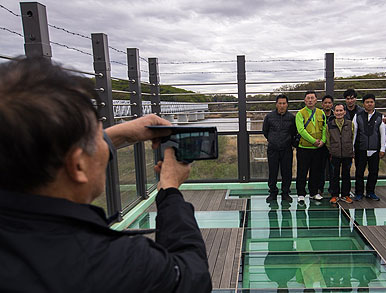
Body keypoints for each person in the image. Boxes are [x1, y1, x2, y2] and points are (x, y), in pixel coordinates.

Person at [0, 57, 212, 292]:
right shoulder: (115, 263)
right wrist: (170, 190)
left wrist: (121, 135)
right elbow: (193, 275)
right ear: (78, 165)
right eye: (98, 135)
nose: (103, 142)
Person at [262, 94, 296, 203]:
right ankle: (273, 192)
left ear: (287, 104)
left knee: (287, 172)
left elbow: (294, 132)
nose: (282, 106)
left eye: (284, 103)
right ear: (276, 104)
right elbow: (265, 131)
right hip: (273, 149)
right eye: (280, 103)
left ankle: (285, 193)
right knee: (273, 171)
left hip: (287, 149)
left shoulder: (291, 118)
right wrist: (273, 140)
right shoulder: (269, 117)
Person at [295, 90, 327, 204]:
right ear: (304, 100)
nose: (310, 100)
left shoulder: (321, 113)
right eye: (308, 98)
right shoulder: (300, 113)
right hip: (304, 148)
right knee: (302, 172)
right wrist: (313, 141)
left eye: (312, 98)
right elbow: (301, 130)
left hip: (318, 149)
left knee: (316, 172)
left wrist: (323, 141)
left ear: (316, 100)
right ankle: (301, 194)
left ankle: (314, 192)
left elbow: (324, 128)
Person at [352, 94, 386, 201]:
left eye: (371, 102)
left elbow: (383, 134)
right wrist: (352, 148)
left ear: (374, 103)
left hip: (374, 149)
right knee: (359, 172)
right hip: (360, 149)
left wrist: (382, 149)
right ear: (364, 104)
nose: (369, 104)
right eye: (367, 102)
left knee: (374, 172)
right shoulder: (358, 116)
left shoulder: (380, 116)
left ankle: (371, 192)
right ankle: (359, 193)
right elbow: (354, 133)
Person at [327, 104, 354, 204]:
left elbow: (353, 137)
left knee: (346, 175)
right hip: (335, 154)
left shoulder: (350, 124)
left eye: (340, 110)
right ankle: (335, 195)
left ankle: (345, 195)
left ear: (344, 112)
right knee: (334, 175)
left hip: (347, 153)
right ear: (334, 112)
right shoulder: (330, 124)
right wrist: (332, 149)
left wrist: (350, 149)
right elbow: (328, 139)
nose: (338, 113)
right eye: (337, 111)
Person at [319, 94, 335, 195]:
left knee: (333, 170)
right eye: (325, 103)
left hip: (333, 147)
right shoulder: (318, 115)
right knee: (320, 169)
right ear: (322, 104)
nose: (327, 105)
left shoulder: (336, 115)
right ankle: (319, 189)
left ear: (332, 104)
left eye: (329, 103)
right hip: (320, 147)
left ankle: (333, 190)